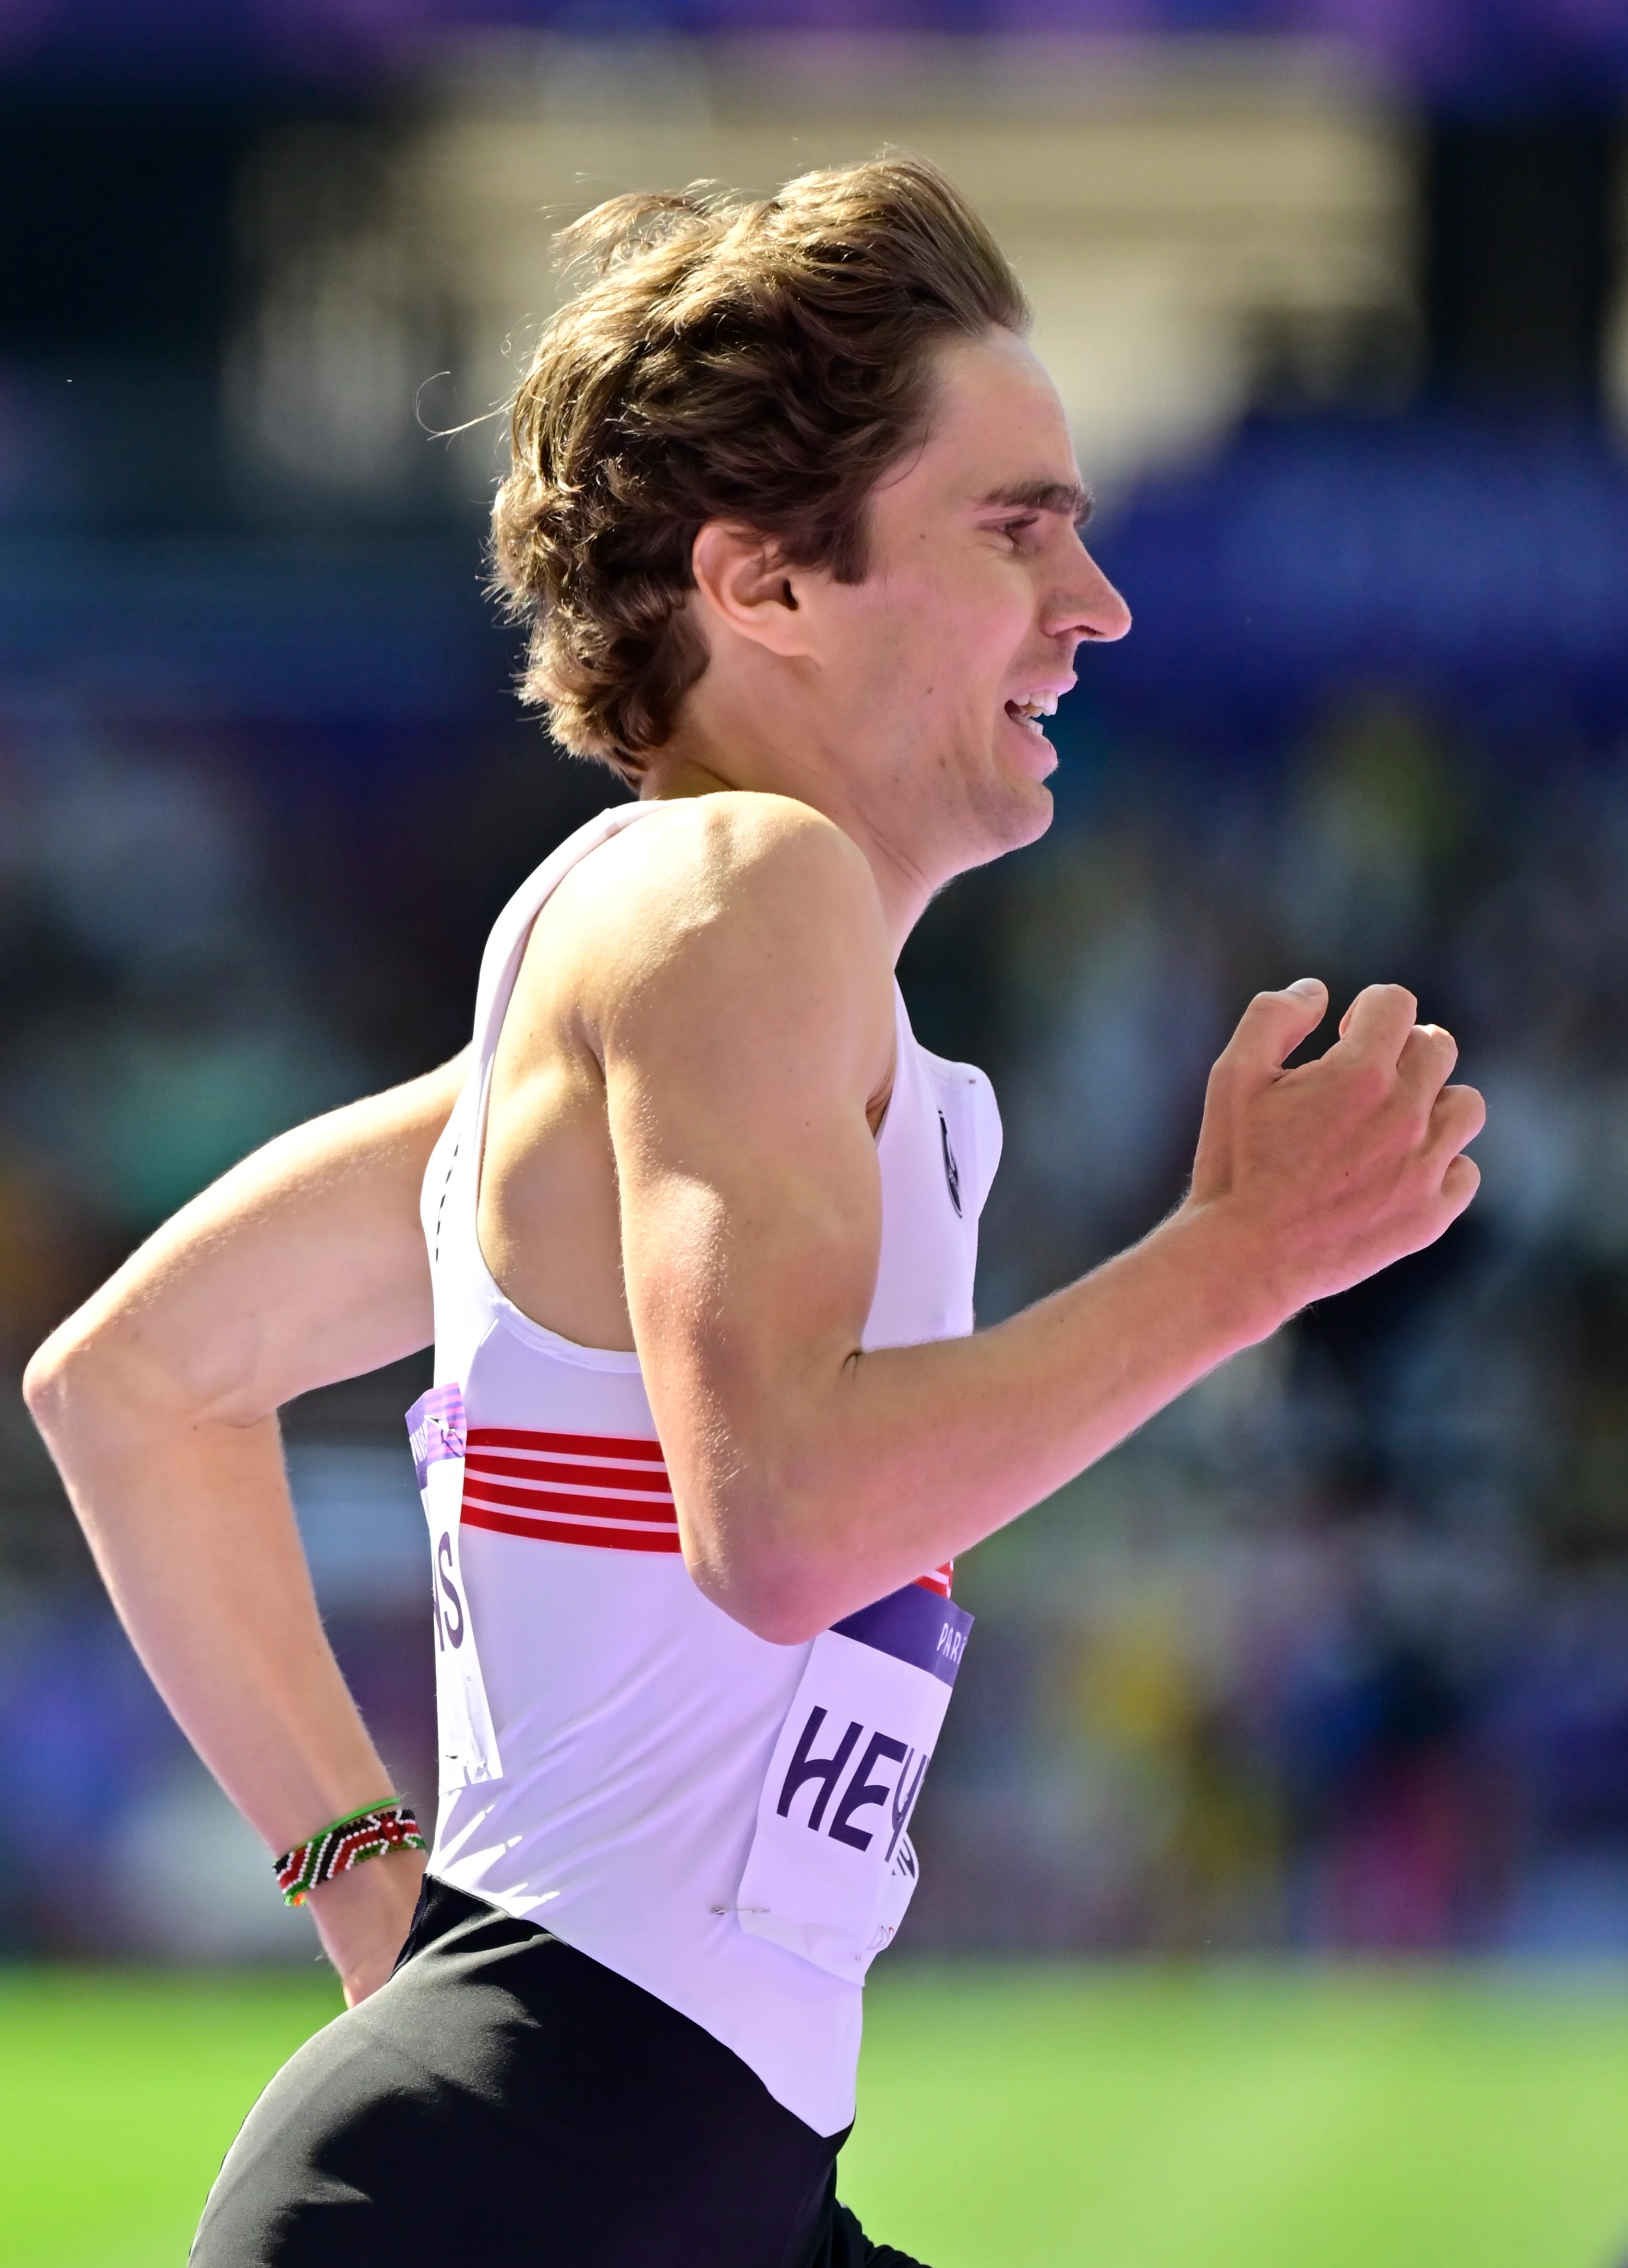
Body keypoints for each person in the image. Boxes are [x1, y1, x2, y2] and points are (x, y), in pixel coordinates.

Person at [23, 159, 1483, 2268]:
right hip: (537, 2180)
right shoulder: (735, 891)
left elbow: (131, 1383)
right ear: (766, 583)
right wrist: (1242, 1256)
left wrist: (386, 1905)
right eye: (1019, 527)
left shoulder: (648, 972)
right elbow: (787, 1517)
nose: (1100, 604)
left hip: (642, 2163)